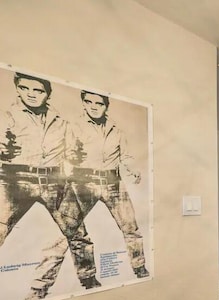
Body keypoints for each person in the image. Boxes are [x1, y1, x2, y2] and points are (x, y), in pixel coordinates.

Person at [31, 90, 150, 288]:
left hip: (113, 183)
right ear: (84, 103)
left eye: (99, 103)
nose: (94, 106)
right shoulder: (72, 127)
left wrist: (132, 168)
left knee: (131, 228)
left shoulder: (116, 130)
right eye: (89, 102)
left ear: (106, 106)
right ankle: (78, 279)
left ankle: (140, 268)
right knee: (69, 232)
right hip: (82, 182)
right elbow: (60, 153)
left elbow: (126, 156)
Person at [0, 72, 100, 300]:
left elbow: (74, 155)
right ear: (17, 89)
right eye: (26, 88)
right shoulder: (6, 117)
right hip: (15, 180)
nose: (32, 94)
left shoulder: (61, 122)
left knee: (77, 234)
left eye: (39, 90)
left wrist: (76, 157)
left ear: (48, 94)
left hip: (54, 181)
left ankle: (87, 280)